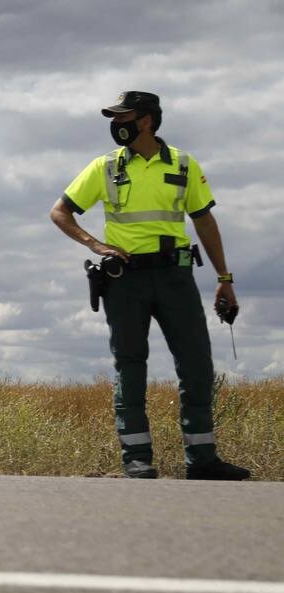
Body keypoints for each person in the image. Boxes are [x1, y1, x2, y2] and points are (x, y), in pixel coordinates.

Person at [49, 91, 250, 481]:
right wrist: (96, 244)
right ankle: (137, 459)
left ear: (147, 120)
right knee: (130, 365)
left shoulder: (183, 164)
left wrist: (225, 279)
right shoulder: (104, 167)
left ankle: (203, 459)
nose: (116, 124)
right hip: (125, 281)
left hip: (176, 276)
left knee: (196, 364)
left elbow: (204, 222)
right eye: (114, 117)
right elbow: (60, 212)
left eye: (123, 117)